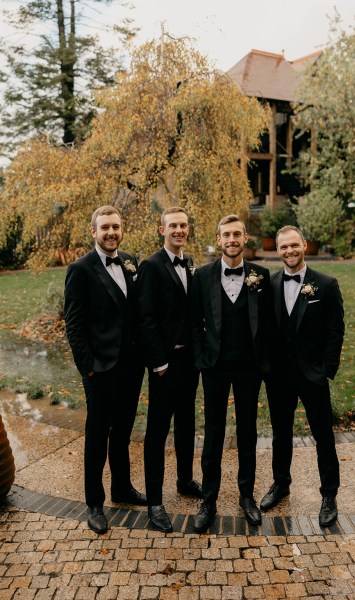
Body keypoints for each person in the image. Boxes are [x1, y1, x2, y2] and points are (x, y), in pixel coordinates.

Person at [64, 205, 146, 535]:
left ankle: (122, 488)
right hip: (101, 368)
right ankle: (94, 503)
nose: (111, 232)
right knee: (98, 436)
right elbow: (74, 323)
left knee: (123, 432)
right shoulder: (80, 269)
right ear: (93, 232)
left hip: (131, 366)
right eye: (105, 228)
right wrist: (89, 369)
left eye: (115, 226)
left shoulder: (130, 261)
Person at [191, 214, 274, 533]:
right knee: (213, 434)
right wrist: (201, 358)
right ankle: (208, 500)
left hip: (249, 369)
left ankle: (246, 496)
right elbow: (194, 322)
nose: (232, 240)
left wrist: (264, 361)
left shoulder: (261, 275)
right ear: (219, 238)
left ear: (245, 238)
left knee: (247, 433)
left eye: (237, 234)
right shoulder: (203, 276)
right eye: (226, 235)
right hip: (214, 367)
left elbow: (267, 323)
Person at [261, 225, 344, 527]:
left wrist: (325, 370)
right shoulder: (269, 285)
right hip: (279, 377)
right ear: (278, 250)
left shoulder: (325, 284)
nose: (289, 251)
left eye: (294, 245)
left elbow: (336, 331)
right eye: (283, 247)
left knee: (323, 436)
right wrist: (267, 367)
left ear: (304, 245)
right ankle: (281, 485)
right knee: (281, 434)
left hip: (313, 375)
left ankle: (329, 494)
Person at [137, 206, 201, 533]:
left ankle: (185, 479)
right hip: (165, 365)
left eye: (183, 225)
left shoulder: (188, 263)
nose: (178, 230)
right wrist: (158, 362)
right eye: (172, 225)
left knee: (187, 424)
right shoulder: (150, 266)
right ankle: (155, 502)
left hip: (190, 363)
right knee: (157, 434)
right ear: (161, 229)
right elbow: (145, 318)